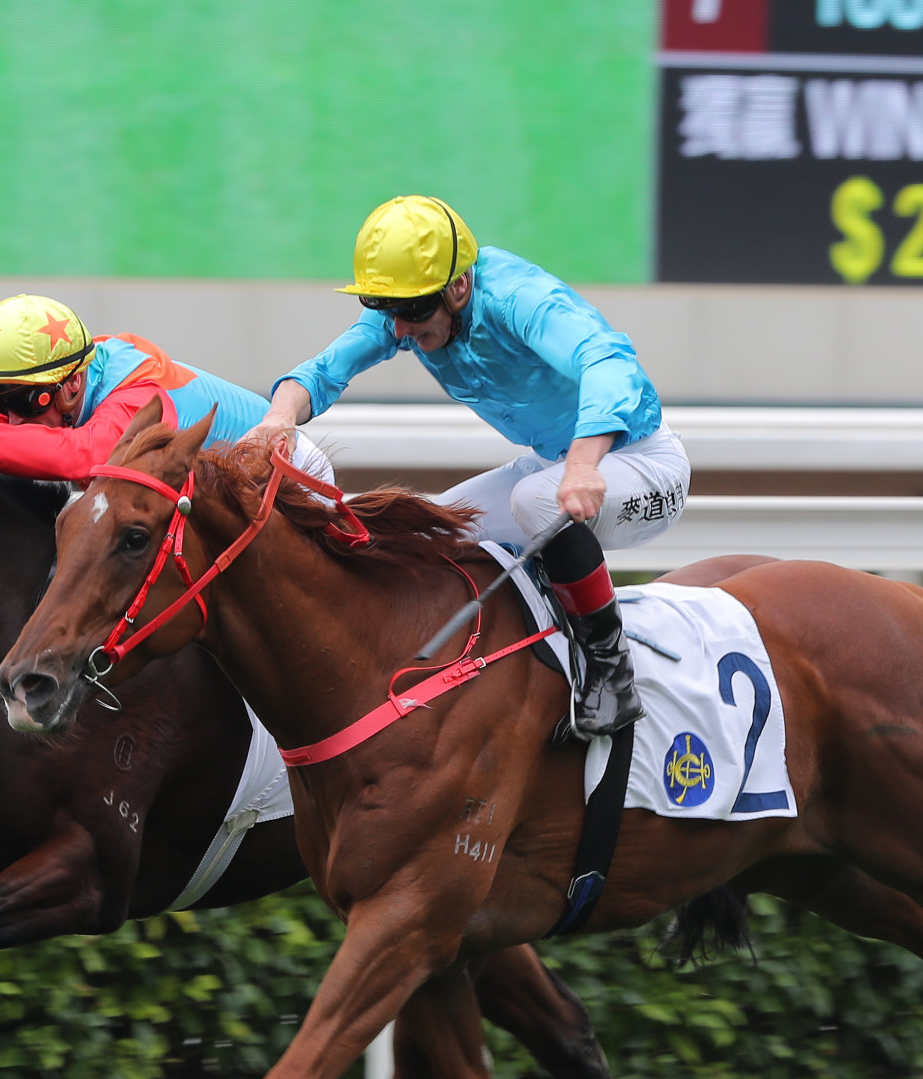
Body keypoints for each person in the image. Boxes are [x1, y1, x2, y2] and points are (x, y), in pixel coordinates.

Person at [245, 196, 687, 736]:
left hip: (640, 464)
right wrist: (279, 418)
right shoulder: (411, 308)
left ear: (457, 287)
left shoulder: (521, 298)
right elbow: (323, 370)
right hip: (552, 466)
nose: (400, 331)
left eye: (410, 314)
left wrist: (583, 462)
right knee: (430, 525)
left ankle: (611, 674)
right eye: (390, 314)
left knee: (536, 500)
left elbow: (608, 359)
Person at [0, 294, 335, 487]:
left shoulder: (139, 395)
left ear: (73, 384)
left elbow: (81, 456)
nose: (9, 417)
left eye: (20, 402)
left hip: (291, 476)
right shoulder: (70, 378)